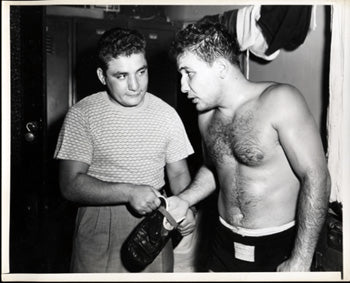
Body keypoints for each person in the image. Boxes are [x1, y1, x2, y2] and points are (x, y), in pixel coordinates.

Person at [167, 21, 331, 272]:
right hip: (223, 241)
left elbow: (317, 178)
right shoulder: (206, 117)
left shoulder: (280, 101)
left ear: (220, 67)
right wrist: (184, 199)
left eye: (189, 73)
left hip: (279, 244)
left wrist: (301, 259)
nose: (182, 86)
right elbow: (215, 167)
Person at [54, 27, 196, 273]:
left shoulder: (166, 114)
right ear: (102, 76)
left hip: (156, 220)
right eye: (121, 76)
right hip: (99, 223)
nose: (135, 85)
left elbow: (179, 174)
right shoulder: (82, 114)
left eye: (141, 72)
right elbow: (69, 184)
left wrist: (187, 206)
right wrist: (128, 192)